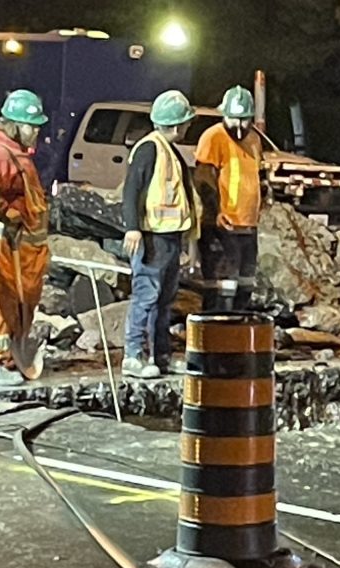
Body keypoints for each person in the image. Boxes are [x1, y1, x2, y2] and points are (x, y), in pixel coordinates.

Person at [0, 89, 50, 386]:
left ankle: (6, 357)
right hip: (7, 246)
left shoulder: (14, 152)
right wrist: (10, 216)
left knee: (14, 305)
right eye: (32, 125)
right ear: (15, 124)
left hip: (24, 250)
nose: (37, 131)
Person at [121, 90, 200, 379]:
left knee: (164, 299)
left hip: (168, 237)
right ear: (178, 125)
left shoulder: (168, 151)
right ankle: (133, 356)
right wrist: (132, 227)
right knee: (146, 296)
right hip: (152, 237)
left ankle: (161, 355)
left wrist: (189, 240)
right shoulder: (149, 149)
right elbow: (131, 190)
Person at [194, 85, 263, 311]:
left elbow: (253, 175)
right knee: (222, 284)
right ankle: (217, 328)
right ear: (224, 115)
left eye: (245, 120)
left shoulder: (253, 140)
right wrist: (215, 212)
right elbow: (204, 179)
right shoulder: (214, 137)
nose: (240, 126)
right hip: (223, 224)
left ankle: (238, 328)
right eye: (234, 119)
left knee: (245, 282)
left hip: (247, 224)